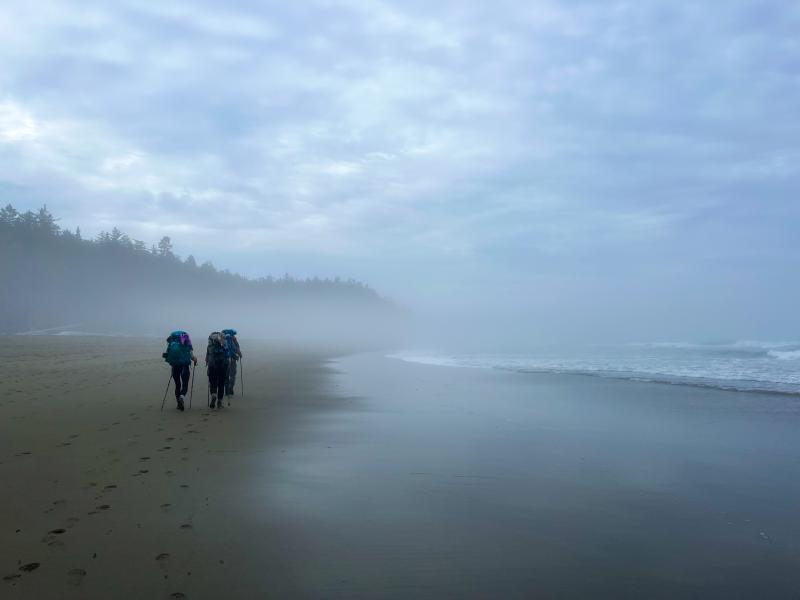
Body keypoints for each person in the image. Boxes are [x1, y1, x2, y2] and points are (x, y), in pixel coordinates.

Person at [163, 330, 197, 411]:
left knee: (177, 385)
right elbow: (192, 356)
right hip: (185, 365)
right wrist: (195, 360)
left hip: (175, 366)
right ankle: (182, 397)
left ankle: (178, 404)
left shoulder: (172, 342)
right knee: (185, 384)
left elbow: (167, 355)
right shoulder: (187, 342)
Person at [206, 331, 228, 409]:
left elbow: (207, 358)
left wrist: (208, 365)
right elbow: (227, 354)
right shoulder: (224, 344)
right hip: (223, 366)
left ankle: (213, 395)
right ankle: (219, 402)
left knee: (213, 383)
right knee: (221, 384)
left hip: (212, 366)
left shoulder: (210, 346)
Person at [221, 328, 242, 397]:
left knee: (226, 375)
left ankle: (226, 390)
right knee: (232, 375)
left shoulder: (222, 340)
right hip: (232, 359)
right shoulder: (233, 339)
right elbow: (237, 348)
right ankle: (230, 388)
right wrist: (240, 355)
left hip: (224, 360)